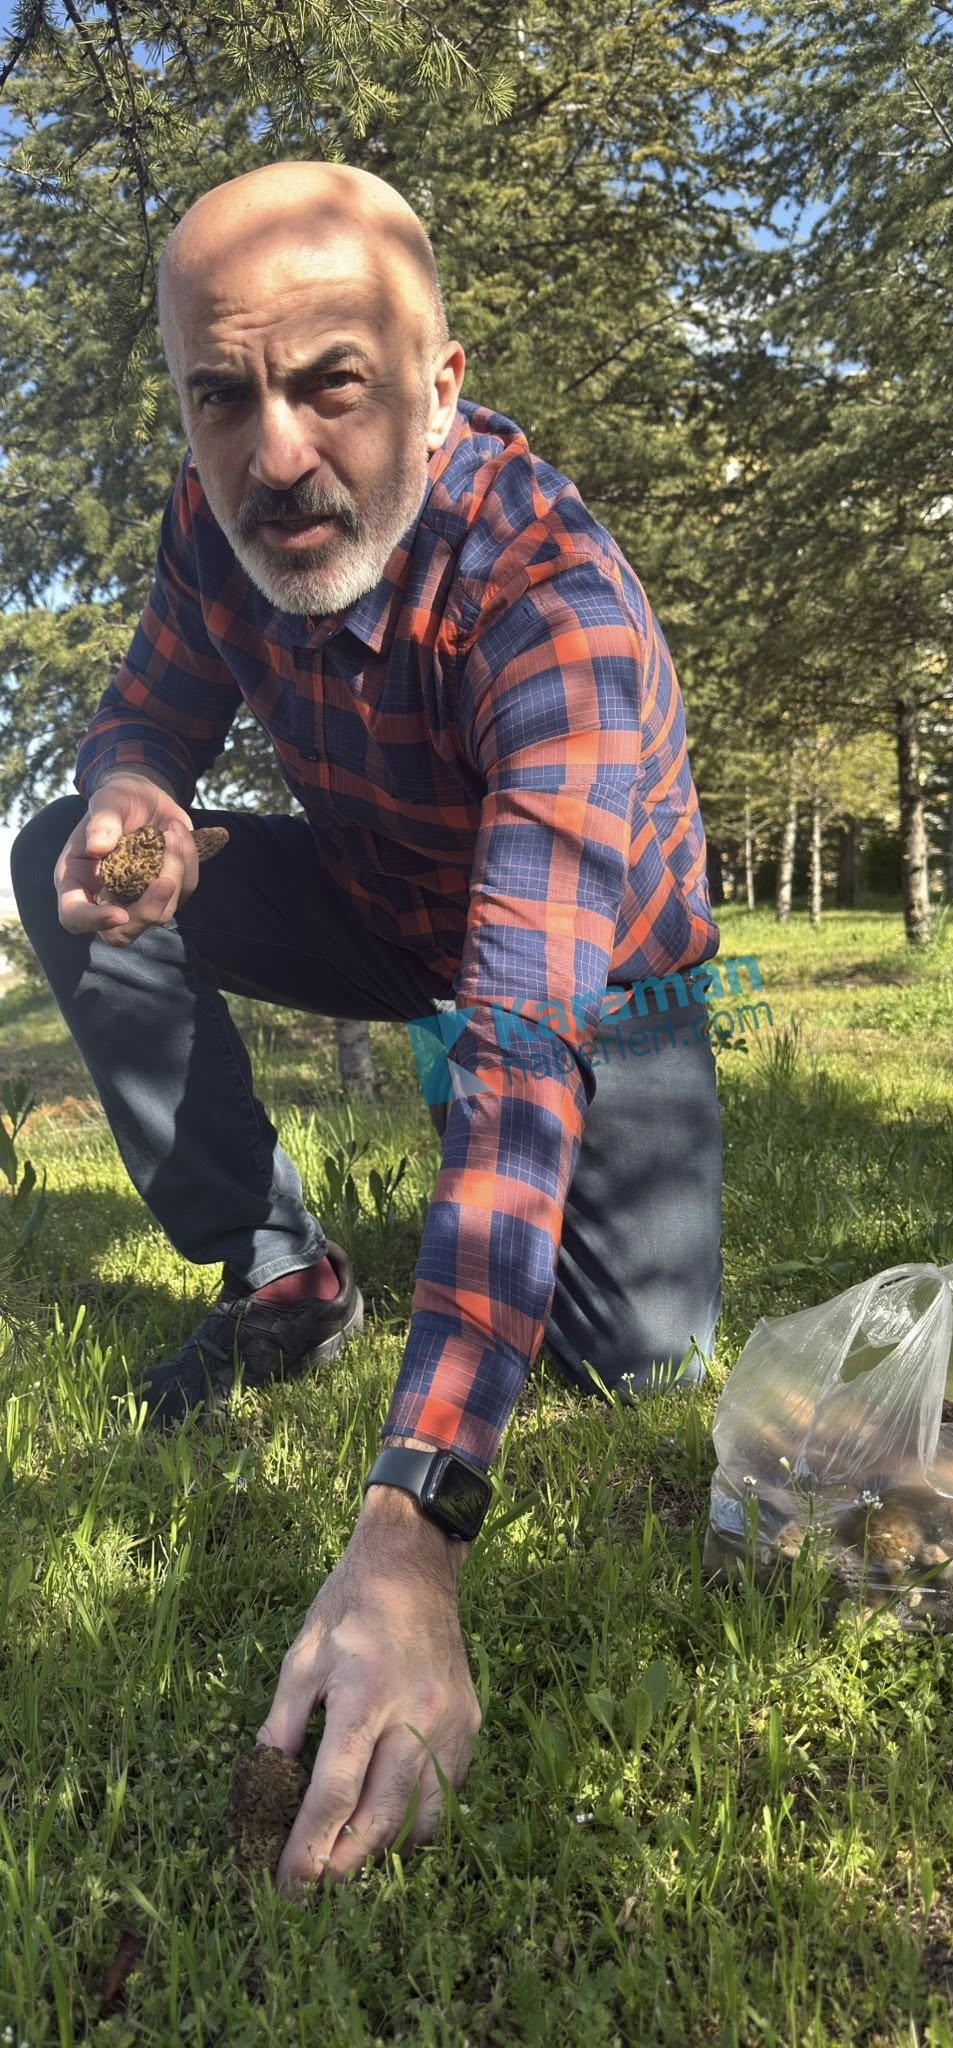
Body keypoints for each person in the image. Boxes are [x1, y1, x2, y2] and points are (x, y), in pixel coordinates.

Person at [12, 160, 723, 1894]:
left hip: (595, 975)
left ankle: (528, 1294)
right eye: (220, 397)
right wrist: (135, 794)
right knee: (57, 856)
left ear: (440, 383)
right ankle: (282, 1275)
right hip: (377, 904)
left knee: (631, 1365)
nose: (274, 456)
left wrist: (411, 1532)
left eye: (331, 384)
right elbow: (145, 715)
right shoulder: (217, 523)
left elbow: (519, 1057)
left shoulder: (552, 607)